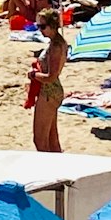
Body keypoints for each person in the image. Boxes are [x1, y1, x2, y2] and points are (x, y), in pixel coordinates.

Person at [30, 9, 67, 152]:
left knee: (40, 141)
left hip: (49, 92)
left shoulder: (56, 47)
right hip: (52, 92)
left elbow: (51, 76)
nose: (40, 30)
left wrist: (33, 75)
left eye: (42, 26)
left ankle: (46, 172)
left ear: (52, 26)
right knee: (52, 140)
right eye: (38, 26)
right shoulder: (57, 43)